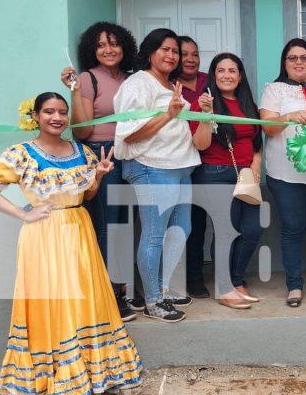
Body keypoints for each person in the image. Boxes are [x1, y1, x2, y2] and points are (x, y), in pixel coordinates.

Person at [0, 92, 142, 394]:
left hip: (79, 230)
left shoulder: (82, 151)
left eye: (62, 112)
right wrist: (23, 215)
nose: (57, 118)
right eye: (49, 112)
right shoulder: (21, 153)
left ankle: (89, 365)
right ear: (35, 117)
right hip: (43, 235)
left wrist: (97, 176)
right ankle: (55, 369)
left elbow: (88, 195)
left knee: (83, 296)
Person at [114, 28, 201, 322]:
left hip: (180, 166)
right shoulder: (138, 83)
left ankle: (162, 290)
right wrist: (168, 115)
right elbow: (131, 135)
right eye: (165, 49)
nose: (171, 55)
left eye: (175, 51)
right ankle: (153, 301)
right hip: (152, 167)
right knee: (154, 235)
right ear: (150, 51)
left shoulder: (169, 84)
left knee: (181, 230)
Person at [60, 21, 140, 322]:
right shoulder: (87, 78)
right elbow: (82, 131)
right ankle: (110, 294)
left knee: (127, 225)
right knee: (109, 226)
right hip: (102, 154)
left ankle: (124, 287)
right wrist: (75, 92)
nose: (108, 49)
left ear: (124, 46)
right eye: (101, 45)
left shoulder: (133, 79)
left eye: (114, 43)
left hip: (130, 154)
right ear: (92, 51)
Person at [259, 38, 306, 307]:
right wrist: (288, 117)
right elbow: (268, 127)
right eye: (293, 58)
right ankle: (294, 285)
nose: (299, 62)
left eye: (304, 57)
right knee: (292, 229)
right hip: (284, 173)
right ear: (284, 62)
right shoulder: (274, 90)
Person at [189, 53, 264, 310]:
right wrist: (206, 115)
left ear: (240, 76)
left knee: (253, 229)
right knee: (226, 232)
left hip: (244, 174)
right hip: (214, 173)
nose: (227, 75)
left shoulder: (247, 103)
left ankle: (236, 280)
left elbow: (256, 142)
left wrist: (255, 165)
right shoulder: (205, 104)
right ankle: (224, 288)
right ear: (213, 74)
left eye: (232, 70)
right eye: (221, 70)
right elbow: (200, 144)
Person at [175, 36, 213, 300]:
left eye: (195, 54)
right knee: (188, 225)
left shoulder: (209, 81)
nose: (190, 59)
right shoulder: (167, 85)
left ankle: (202, 274)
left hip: (212, 157)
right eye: (184, 54)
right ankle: (188, 278)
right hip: (182, 159)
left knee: (207, 222)